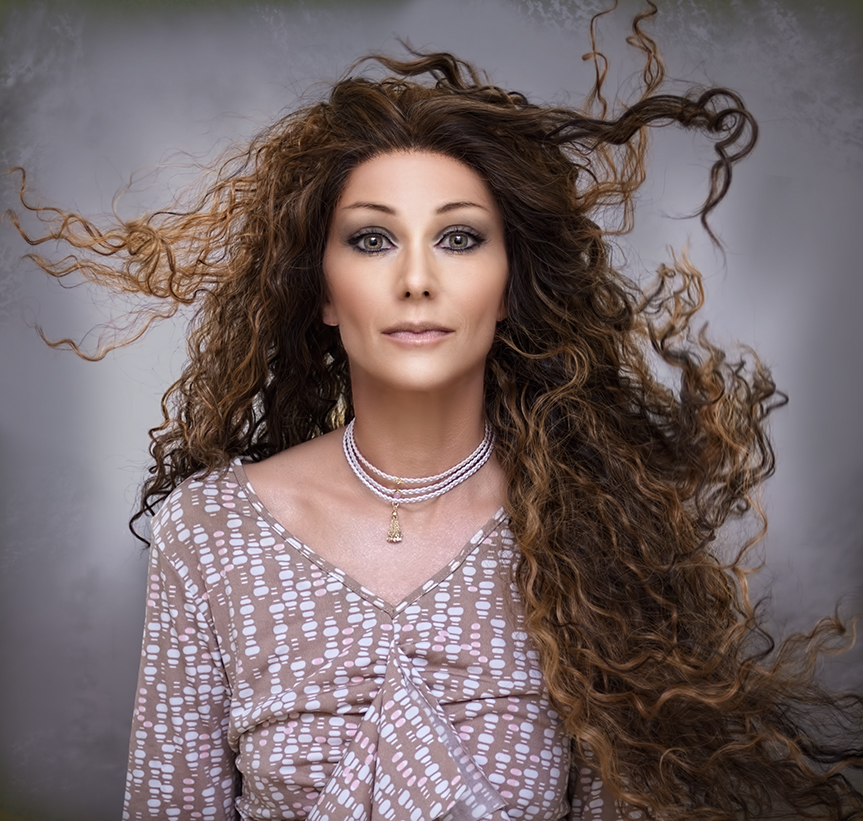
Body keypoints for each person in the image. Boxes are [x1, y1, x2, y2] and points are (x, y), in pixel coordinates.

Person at [9, 5, 862, 820]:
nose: (416, 279)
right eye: (371, 239)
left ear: (510, 286)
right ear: (321, 291)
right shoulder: (208, 533)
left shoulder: (599, 529)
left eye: (458, 238)